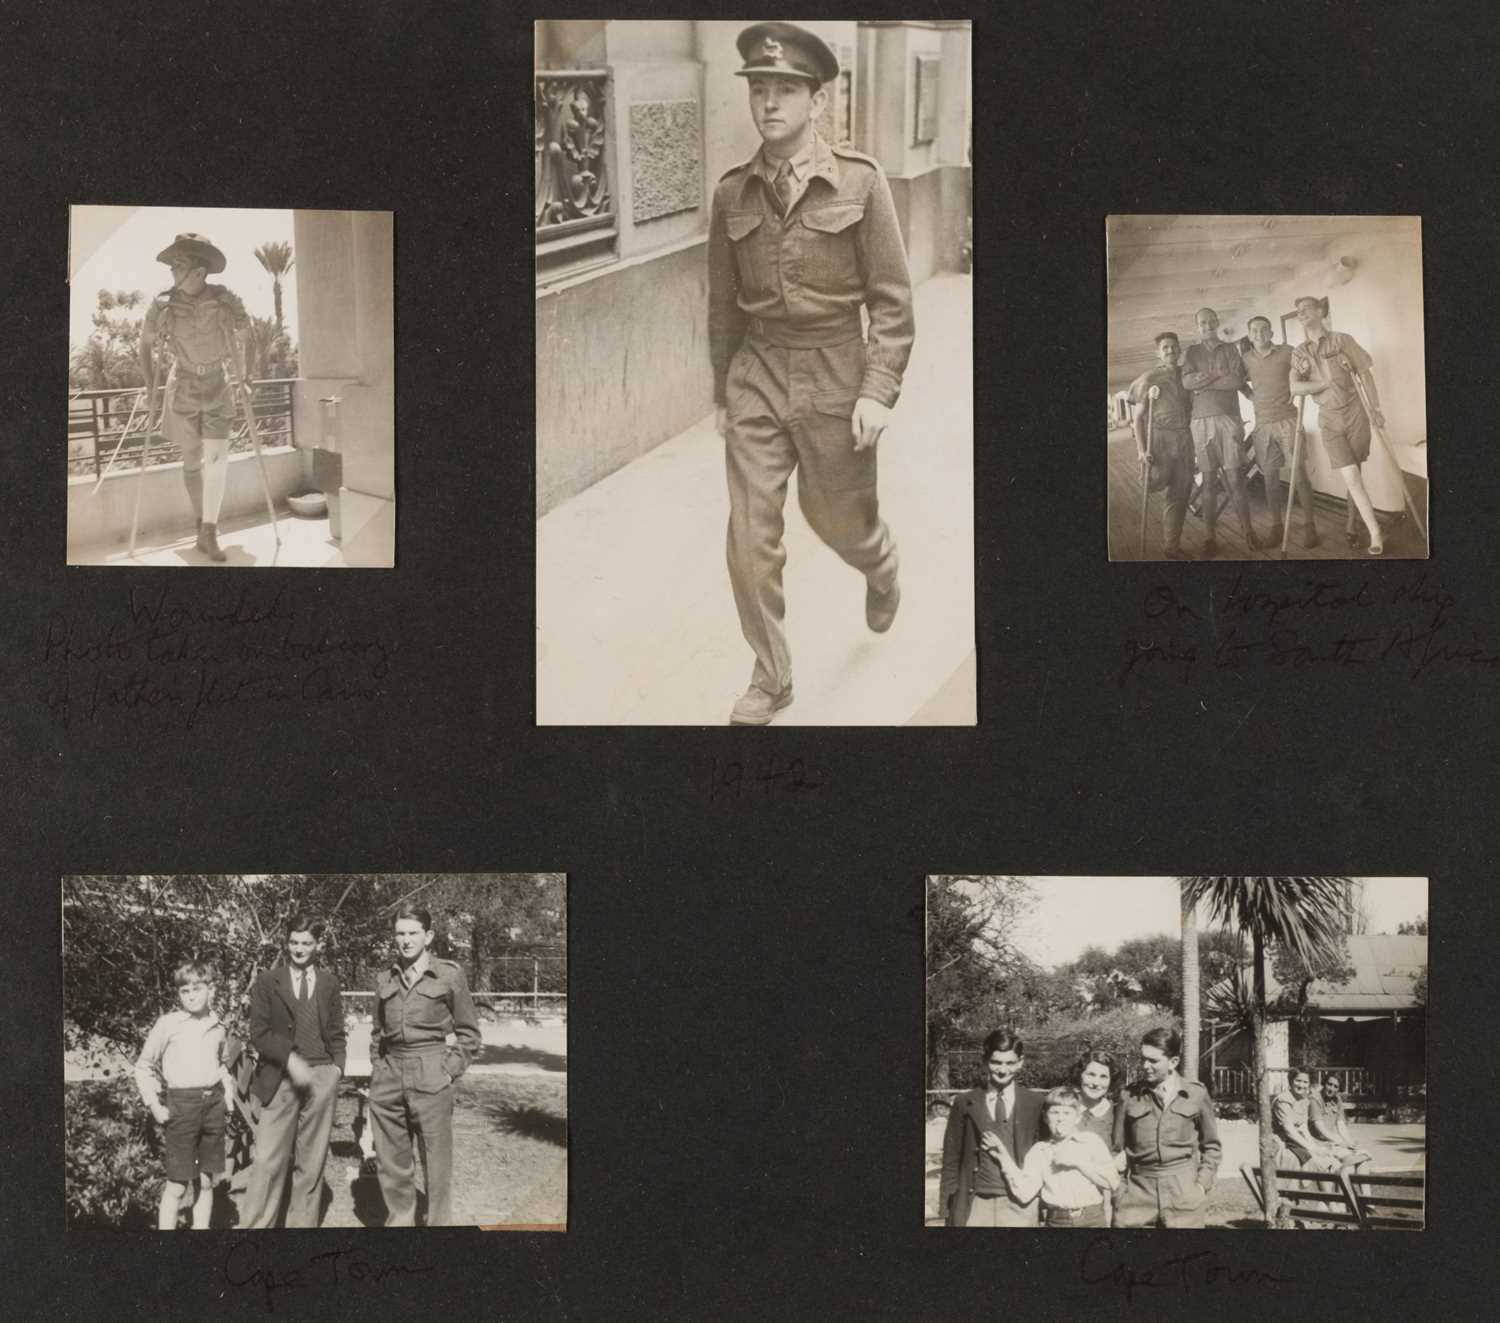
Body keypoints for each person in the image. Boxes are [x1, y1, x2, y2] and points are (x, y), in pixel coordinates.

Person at [708, 22, 914, 724]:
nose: (769, 103)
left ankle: (879, 562)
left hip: (836, 370)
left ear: (817, 100)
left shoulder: (860, 181)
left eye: (785, 90)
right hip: (759, 370)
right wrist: (722, 396)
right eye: (759, 90)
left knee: (837, 521)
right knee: (749, 537)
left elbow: (891, 298)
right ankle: (772, 677)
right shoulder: (732, 193)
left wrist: (877, 388)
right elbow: (722, 307)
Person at [139, 233, 252, 562]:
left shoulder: (226, 301)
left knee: (217, 460)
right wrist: (150, 387)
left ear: (200, 271)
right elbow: (145, 344)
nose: (173, 272)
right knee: (192, 460)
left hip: (218, 383)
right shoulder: (162, 304)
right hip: (183, 386)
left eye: (179, 266)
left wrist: (246, 376)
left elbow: (249, 336)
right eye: (173, 266)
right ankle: (201, 524)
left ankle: (209, 532)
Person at [368, 905, 482, 1226]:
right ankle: (401, 1223)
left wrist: (448, 1069)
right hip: (389, 1074)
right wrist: (379, 1072)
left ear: (428, 936)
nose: (406, 940)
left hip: (431, 1070)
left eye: (413, 933)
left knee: (436, 1161)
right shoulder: (384, 978)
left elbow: (469, 1033)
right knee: (392, 1162)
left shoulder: (448, 974)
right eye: (400, 933)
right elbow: (377, 1033)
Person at [239, 915, 348, 1228]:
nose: (299, 949)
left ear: (318, 945)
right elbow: (258, 1033)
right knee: (267, 1160)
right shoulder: (267, 981)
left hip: (322, 1076)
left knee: (310, 1162)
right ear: (286, 943)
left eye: (307, 943)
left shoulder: (329, 983)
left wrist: (336, 1069)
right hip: (280, 1078)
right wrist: (290, 1060)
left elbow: (337, 1031)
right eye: (294, 942)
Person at [133, 959, 237, 1229]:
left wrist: (227, 1095)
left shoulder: (218, 1027)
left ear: (211, 989)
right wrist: (154, 1104)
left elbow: (222, 1065)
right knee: (177, 1185)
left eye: (197, 989)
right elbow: (143, 1066)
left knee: (205, 1181)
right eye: (184, 991)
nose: (191, 996)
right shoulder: (168, 1024)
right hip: (182, 1107)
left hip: (212, 1107)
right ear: (178, 994)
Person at [1288, 295, 1387, 554]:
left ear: (1320, 311)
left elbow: (1364, 372)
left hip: (1356, 413)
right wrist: (1322, 384)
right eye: (1298, 312)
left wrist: (1375, 409)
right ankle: (1376, 533)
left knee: (1356, 474)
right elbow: (1295, 387)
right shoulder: (1299, 352)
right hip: (1329, 419)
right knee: (1352, 476)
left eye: (1306, 308)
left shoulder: (1342, 340)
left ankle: (1354, 524)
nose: (1302, 313)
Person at [1113, 1027, 1222, 1227]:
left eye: (1153, 1061)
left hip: (1184, 1193)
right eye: (1143, 1058)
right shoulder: (1128, 1096)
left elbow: (1212, 1146)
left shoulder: (1196, 1094)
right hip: (1137, 1195)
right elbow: (1116, 1149)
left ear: (1173, 1062)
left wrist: (1200, 1186)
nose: (1145, 1066)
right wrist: (1121, 1192)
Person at [937, 1029, 1045, 1226]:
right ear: (985, 1061)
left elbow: (1044, 1156)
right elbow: (951, 1158)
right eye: (996, 1062)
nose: (1003, 1070)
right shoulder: (965, 1102)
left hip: (1021, 1205)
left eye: (1010, 1063)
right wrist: (947, 1205)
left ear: (1020, 1062)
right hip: (975, 1204)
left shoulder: (1035, 1103)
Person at [982, 1086, 1118, 1227]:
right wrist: (1003, 1157)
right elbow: (1024, 1193)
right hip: (1057, 1220)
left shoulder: (1091, 1141)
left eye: (1067, 1113)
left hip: (1092, 1219)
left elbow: (1112, 1182)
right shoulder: (1040, 1150)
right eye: (1055, 1112)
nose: (1060, 1119)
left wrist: (1078, 1163)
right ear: (1046, 1118)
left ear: (1077, 1117)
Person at [1181, 307, 1257, 556]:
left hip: (1229, 419)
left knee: (1236, 479)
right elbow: (1186, 382)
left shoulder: (1230, 349)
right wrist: (1217, 375)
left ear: (1217, 322)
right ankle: (1209, 537)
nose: (1207, 325)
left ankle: (1249, 532)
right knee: (1209, 481)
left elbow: (1236, 382)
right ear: (1197, 326)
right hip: (1201, 422)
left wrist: (1204, 381)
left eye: (1211, 321)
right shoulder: (1192, 352)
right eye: (1202, 322)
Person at [1242, 315, 1320, 549]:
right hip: (1263, 425)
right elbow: (1238, 381)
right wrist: (1250, 395)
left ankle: (1309, 526)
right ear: (1249, 334)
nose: (1260, 333)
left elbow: (1307, 373)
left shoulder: (1288, 351)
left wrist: (1297, 390)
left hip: (1288, 420)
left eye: (1264, 329)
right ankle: (1276, 527)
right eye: (1255, 330)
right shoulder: (1245, 359)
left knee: (1300, 475)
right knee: (1270, 478)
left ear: (1271, 332)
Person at [1128, 333, 1194, 559]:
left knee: (1180, 492)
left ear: (1180, 349)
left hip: (1185, 438)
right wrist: (1141, 450)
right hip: (1160, 440)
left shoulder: (1187, 374)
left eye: (1174, 347)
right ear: (1158, 352)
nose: (1170, 351)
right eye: (1165, 347)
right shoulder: (1149, 377)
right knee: (1151, 483)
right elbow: (1137, 419)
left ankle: (1171, 546)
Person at [1308, 1074, 1374, 1170]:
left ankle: (1363, 1185)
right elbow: (1320, 1128)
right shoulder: (1314, 1099)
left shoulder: (1337, 1099)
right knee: (1352, 1163)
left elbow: (1341, 1124)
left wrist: (1349, 1142)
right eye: (1329, 1084)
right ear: (1324, 1083)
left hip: (1332, 1143)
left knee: (1362, 1163)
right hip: (1318, 1144)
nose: (1331, 1089)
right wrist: (1340, 1141)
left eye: (1336, 1086)